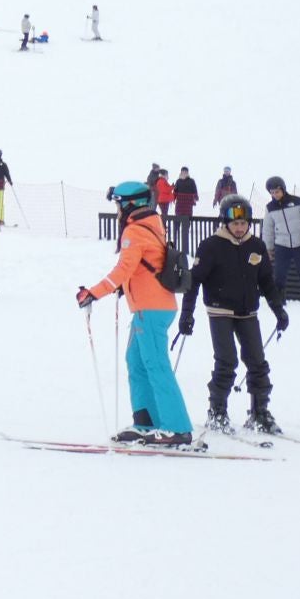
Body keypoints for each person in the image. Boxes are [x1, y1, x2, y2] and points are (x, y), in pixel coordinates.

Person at [75, 182, 193, 445]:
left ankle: (177, 427)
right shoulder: (150, 225)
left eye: (118, 204)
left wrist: (94, 292)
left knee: (156, 365)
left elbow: (124, 269)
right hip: (148, 307)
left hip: (151, 309)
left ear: (129, 204)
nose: (117, 209)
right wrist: (123, 289)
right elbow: (142, 266)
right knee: (136, 362)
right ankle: (146, 421)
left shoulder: (134, 231)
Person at [181, 194, 287, 434]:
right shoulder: (211, 246)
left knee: (257, 363)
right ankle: (217, 412)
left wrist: (279, 310)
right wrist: (186, 314)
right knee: (226, 361)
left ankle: (259, 413)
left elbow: (267, 282)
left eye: (244, 223)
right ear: (226, 223)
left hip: (248, 312)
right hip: (220, 311)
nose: (240, 228)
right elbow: (193, 281)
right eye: (235, 223)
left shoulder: (256, 246)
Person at [262, 176, 300, 302]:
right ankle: (279, 300)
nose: (275, 195)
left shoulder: (298, 202)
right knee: (279, 274)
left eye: (277, 191)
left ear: (283, 189)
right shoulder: (270, 208)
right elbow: (268, 230)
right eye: (272, 192)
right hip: (281, 245)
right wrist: (268, 248)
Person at [172, 168, 200, 250]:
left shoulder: (191, 181)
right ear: (181, 172)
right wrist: (172, 198)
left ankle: (185, 247)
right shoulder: (178, 181)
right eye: (183, 172)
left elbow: (195, 190)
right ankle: (174, 244)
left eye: (185, 172)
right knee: (176, 224)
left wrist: (195, 197)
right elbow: (175, 191)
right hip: (179, 204)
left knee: (186, 225)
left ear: (187, 173)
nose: (184, 173)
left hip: (188, 205)